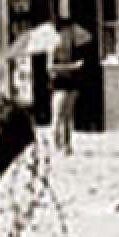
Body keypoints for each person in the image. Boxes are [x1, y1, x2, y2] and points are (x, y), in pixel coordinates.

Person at [48, 17, 84, 155]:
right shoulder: (54, 47)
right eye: (67, 30)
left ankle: (67, 144)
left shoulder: (73, 47)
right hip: (59, 83)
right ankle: (56, 144)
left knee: (69, 116)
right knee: (58, 115)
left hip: (72, 82)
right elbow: (50, 67)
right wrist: (71, 66)